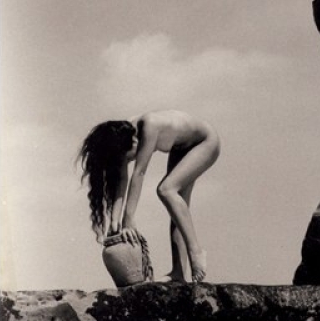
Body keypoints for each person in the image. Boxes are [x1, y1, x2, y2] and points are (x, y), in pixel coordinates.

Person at [78, 110, 220, 283]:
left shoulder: (149, 126)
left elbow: (139, 173)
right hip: (180, 148)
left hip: (205, 142)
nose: (130, 160)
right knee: (177, 210)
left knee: (166, 190)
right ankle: (178, 272)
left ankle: (196, 251)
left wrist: (128, 220)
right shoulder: (121, 134)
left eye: (129, 157)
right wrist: (115, 222)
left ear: (134, 142)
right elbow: (122, 179)